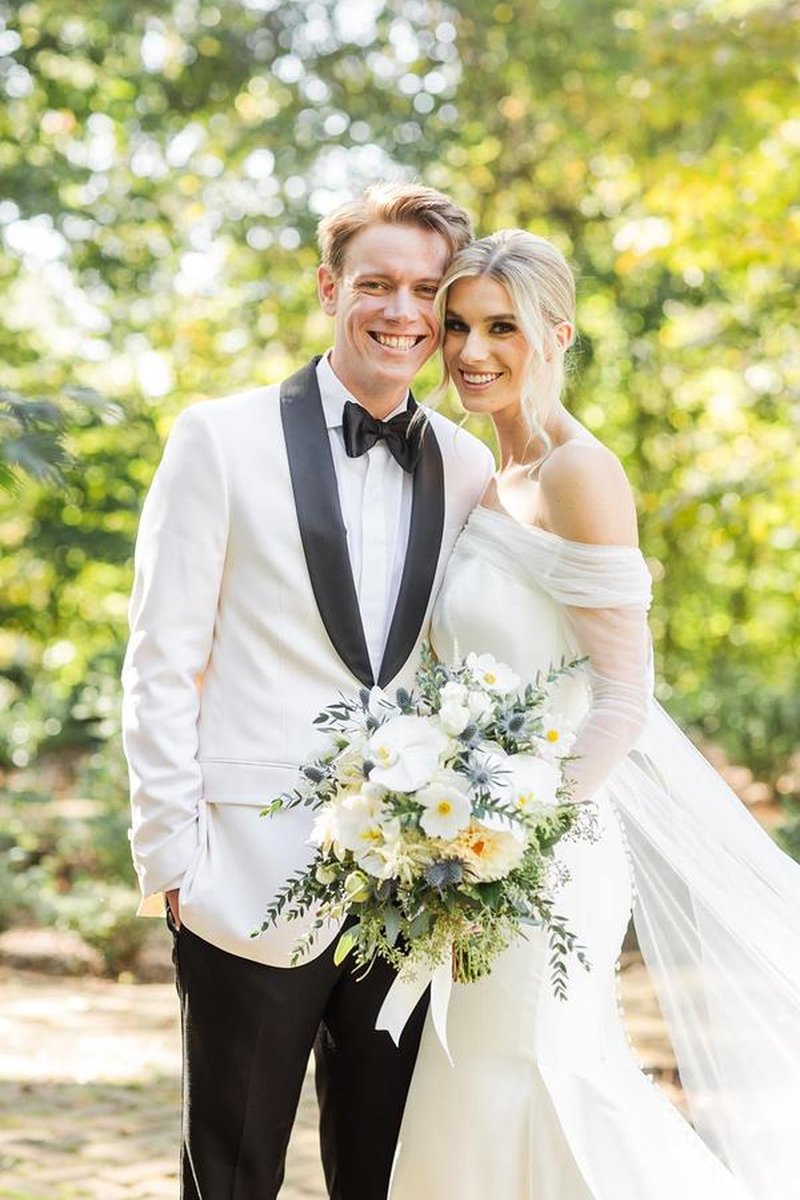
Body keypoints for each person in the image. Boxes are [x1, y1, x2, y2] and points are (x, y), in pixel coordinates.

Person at [388, 230, 800, 1200]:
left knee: (534, 1080)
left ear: (555, 334)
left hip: (545, 850)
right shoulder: (475, 479)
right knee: (470, 1088)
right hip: (467, 845)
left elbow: (623, 695)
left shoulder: (579, 475)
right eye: (454, 326)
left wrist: (515, 837)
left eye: (500, 327)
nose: (470, 350)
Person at [121, 182, 495, 1200]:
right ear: (329, 287)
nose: (401, 312)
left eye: (426, 290)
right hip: (242, 873)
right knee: (233, 1173)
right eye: (376, 283)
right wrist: (171, 857)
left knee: (382, 1175)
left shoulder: (467, 465)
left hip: (412, 891)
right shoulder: (219, 438)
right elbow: (161, 656)